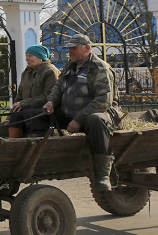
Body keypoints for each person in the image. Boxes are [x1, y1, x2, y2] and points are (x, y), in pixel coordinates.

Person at [41, 34, 122, 191]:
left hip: (99, 114)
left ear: (88, 48)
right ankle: (41, 154)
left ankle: (103, 176)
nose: (71, 51)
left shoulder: (100, 68)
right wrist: (50, 101)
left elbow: (103, 102)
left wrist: (78, 120)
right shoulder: (69, 66)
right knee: (39, 109)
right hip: (69, 114)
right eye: (69, 48)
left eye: (74, 48)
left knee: (96, 120)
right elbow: (58, 88)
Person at [5, 44, 60, 137]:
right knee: (17, 112)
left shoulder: (50, 71)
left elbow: (49, 95)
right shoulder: (27, 72)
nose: (27, 59)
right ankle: (13, 143)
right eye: (26, 56)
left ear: (40, 58)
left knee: (28, 108)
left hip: (43, 112)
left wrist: (24, 103)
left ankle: (35, 137)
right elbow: (20, 96)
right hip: (28, 110)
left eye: (30, 56)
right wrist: (10, 117)